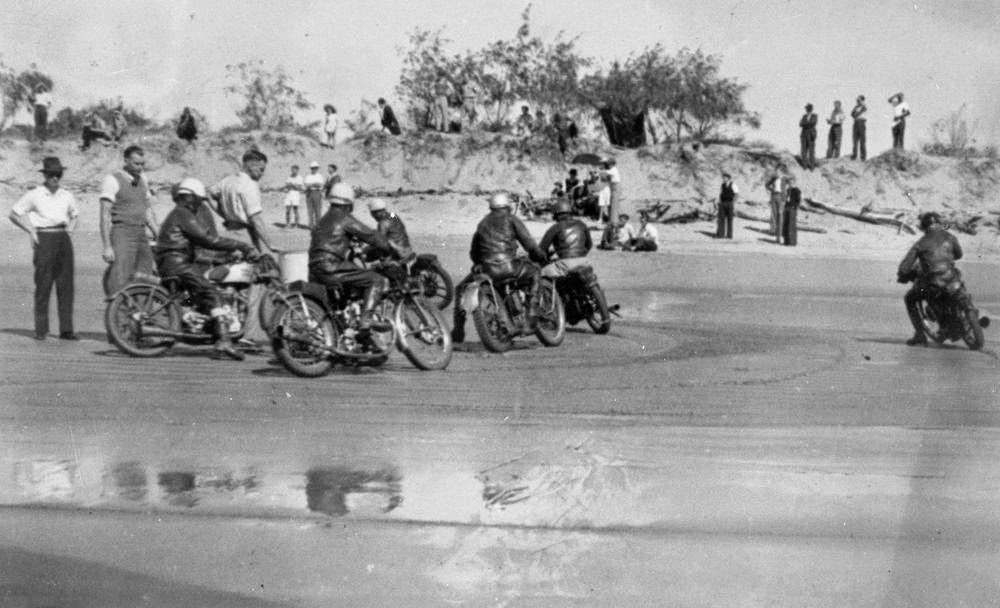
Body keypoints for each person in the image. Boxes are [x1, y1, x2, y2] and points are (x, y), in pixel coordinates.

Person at [154, 178, 256, 360]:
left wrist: (224, 255)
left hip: (173, 262)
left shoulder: (180, 213)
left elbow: (204, 244)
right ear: (190, 197)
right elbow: (208, 240)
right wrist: (241, 246)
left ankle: (207, 325)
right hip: (178, 263)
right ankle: (224, 341)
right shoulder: (183, 213)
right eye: (198, 200)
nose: (200, 204)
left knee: (198, 295)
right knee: (212, 293)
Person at [451, 193, 546, 343]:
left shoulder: (482, 223)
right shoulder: (512, 219)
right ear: (507, 205)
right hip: (510, 266)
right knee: (535, 272)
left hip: (487, 270)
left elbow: (474, 253)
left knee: (460, 289)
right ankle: (532, 315)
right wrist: (540, 256)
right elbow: (529, 244)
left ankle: (458, 331)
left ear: (491, 206)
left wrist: (480, 263)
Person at [208, 148, 279, 349]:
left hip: (227, 233)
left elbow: (209, 194)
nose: (261, 172)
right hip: (245, 235)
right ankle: (247, 334)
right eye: (260, 168)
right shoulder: (249, 186)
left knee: (228, 281)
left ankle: (227, 327)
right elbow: (256, 219)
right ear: (249, 163)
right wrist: (269, 244)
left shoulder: (228, 181)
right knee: (253, 283)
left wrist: (223, 214)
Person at [9, 157, 79, 341]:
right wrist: (30, 230)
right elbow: (14, 213)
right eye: (51, 174)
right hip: (44, 237)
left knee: (66, 285)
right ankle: (41, 329)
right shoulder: (35, 194)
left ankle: (66, 330)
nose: (54, 178)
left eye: (58, 175)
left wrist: (70, 230)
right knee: (43, 284)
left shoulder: (67, 195)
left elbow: (75, 215)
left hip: (62, 237)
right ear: (45, 175)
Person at [309, 183, 393, 331]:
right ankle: (366, 319)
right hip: (331, 265)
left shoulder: (324, 218)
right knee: (376, 279)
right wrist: (389, 247)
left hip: (314, 266)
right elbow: (371, 236)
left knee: (342, 299)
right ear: (348, 202)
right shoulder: (344, 218)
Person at [897, 212, 969, 346]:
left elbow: (905, 267)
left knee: (910, 298)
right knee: (960, 288)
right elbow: (959, 254)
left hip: (933, 283)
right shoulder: (950, 237)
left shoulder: (920, 243)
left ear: (924, 227)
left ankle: (919, 335)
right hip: (952, 278)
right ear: (938, 224)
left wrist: (902, 275)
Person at [100, 145, 159, 295]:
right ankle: (117, 312)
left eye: (142, 164)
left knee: (145, 274)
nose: (140, 168)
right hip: (122, 232)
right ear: (126, 161)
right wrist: (107, 246)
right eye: (136, 164)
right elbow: (104, 214)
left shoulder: (143, 179)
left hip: (140, 232)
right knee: (121, 274)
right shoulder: (112, 180)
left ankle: (141, 312)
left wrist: (158, 234)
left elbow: (147, 212)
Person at [538, 199, 592, 278]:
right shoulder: (582, 224)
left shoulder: (555, 228)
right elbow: (589, 245)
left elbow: (541, 249)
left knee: (540, 273)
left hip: (565, 264)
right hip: (585, 262)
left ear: (557, 214)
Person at [303, 162, 325, 229]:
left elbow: (320, 185)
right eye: (312, 168)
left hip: (317, 192)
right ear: (311, 168)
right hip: (309, 192)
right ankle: (311, 226)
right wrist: (314, 184)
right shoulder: (308, 176)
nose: (314, 169)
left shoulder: (320, 176)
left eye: (315, 168)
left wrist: (312, 184)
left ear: (317, 168)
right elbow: (306, 185)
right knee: (310, 210)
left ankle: (318, 225)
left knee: (317, 210)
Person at [765, 172, 785, 241]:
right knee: (774, 214)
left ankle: (779, 234)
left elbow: (784, 191)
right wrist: (771, 190)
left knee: (780, 215)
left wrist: (783, 200)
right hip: (773, 196)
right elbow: (766, 185)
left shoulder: (783, 180)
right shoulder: (773, 179)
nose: (778, 174)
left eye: (779, 172)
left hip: (780, 196)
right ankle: (773, 231)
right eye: (777, 172)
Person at [717, 172, 738, 239]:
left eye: (725, 177)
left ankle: (729, 235)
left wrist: (733, 202)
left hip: (730, 203)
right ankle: (721, 235)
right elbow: (721, 193)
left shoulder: (733, 184)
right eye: (723, 177)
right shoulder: (722, 185)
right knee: (721, 219)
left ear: (728, 178)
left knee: (730, 219)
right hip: (723, 203)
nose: (723, 179)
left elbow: (736, 194)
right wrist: (720, 202)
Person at [601, 158, 622, 223]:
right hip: (613, 187)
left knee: (614, 204)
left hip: (615, 186)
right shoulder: (612, 170)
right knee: (612, 204)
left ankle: (614, 221)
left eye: (608, 164)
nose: (608, 165)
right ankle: (612, 220)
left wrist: (601, 170)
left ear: (611, 164)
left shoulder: (614, 169)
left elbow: (606, 173)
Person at [783, 177, 802, 247]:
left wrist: (795, 207)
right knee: (786, 224)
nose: (790, 184)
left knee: (792, 225)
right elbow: (786, 199)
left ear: (794, 183)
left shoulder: (797, 190)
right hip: (787, 207)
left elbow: (799, 200)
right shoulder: (788, 190)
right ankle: (787, 241)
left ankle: (792, 241)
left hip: (792, 209)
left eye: (791, 183)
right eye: (789, 183)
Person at [799, 104, 818, 170]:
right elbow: (800, 124)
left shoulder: (814, 116)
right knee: (803, 150)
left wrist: (805, 124)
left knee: (811, 151)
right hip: (804, 135)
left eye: (809, 108)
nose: (808, 110)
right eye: (807, 108)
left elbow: (813, 123)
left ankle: (812, 166)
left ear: (811, 109)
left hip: (811, 135)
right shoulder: (804, 116)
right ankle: (804, 165)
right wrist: (807, 124)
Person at [850, 95, 867, 161]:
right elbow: (852, 114)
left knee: (862, 141)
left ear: (862, 100)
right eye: (857, 100)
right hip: (856, 123)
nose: (857, 101)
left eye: (859, 100)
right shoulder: (856, 107)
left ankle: (863, 157)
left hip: (861, 122)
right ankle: (854, 155)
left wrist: (856, 113)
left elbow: (857, 114)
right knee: (855, 140)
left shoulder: (864, 106)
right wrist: (856, 113)